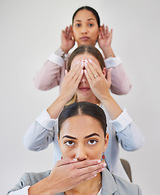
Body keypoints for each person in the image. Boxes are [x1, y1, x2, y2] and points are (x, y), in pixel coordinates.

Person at [0, 102, 146, 195]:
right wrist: (49, 185)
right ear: (59, 142)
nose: (81, 155)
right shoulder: (32, 183)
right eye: (70, 142)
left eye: (92, 141)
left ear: (105, 142)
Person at [23, 45, 144, 182]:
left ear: (103, 72)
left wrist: (106, 97)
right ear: (68, 74)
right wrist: (63, 97)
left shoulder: (112, 110)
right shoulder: (60, 113)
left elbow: (135, 143)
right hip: (67, 189)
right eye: (78, 72)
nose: (84, 79)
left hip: (112, 190)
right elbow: (31, 143)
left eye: (91, 71)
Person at [33, 6, 131, 95]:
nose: (84, 30)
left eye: (90, 24)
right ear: (72, 30)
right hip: (68, 114)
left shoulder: (105, 62)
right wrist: (63, 49)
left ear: (99, 30)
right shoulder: (65, 61)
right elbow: (41, 83)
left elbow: (123, 89)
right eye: (78, 25)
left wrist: (107, 49)